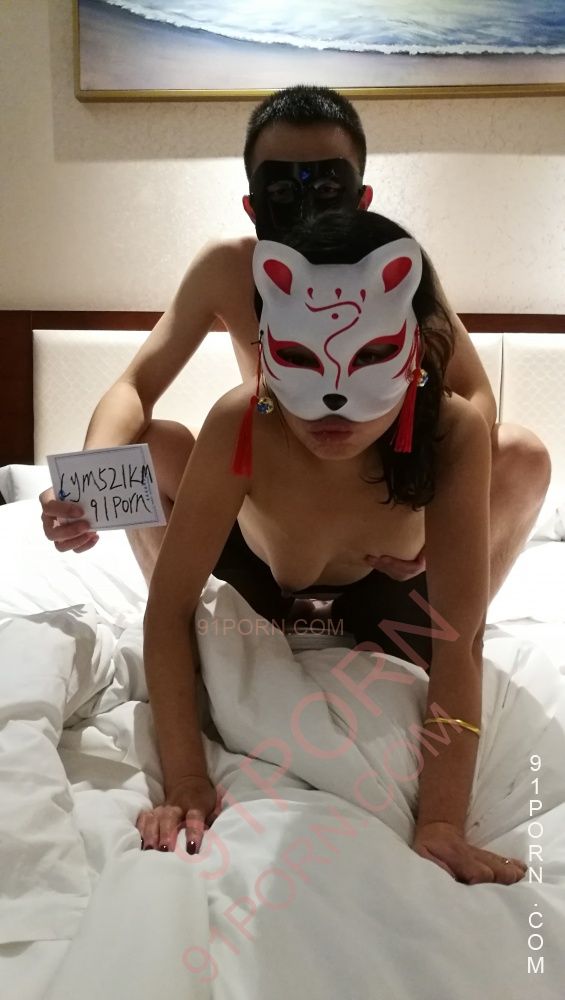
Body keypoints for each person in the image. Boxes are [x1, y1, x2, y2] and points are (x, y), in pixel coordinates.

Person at [136, 209, 528, 887]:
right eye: (299, 358)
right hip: (256, 586)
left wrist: (441, 821)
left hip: (383, 599)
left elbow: (458, 639)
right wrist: (185, 780)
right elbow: (167, 609)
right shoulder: (243, 417)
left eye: (371, 355)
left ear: (415, 351)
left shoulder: (452, 430)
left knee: (525, 454)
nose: (334, 401)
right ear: (265, 348)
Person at [39, 85, 550, 600]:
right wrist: (82, 484)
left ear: (361, 199)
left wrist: (445, 507)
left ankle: (446, 619)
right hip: (269, 519)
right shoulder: (228, 268)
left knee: (523, 455)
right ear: (252, 205)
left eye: (327, 188)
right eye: (283, 192)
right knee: (150, 447)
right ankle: (182, 616)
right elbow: (134, 385)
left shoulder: (391, 276)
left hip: (381, 526)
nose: (307, 210)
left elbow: (475, 394)